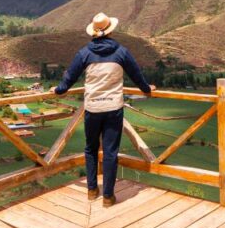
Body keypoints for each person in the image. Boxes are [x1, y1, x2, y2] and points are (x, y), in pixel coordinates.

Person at [54, 12, 154, 207]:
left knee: (90, 149)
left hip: (93, 108)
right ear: (110, 31)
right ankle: (108, 196)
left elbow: (69, 78)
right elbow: (137, 75)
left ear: (93, 32)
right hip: (113, 108)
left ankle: (92, 190)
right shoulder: (121, 52)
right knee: (110, 152)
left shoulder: (84, 53)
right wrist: (148, 89)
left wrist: (58, 90)